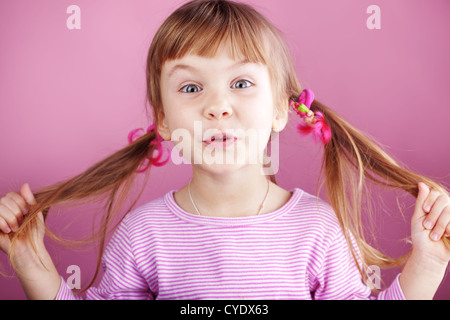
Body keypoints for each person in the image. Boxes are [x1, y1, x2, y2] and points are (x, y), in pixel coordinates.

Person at [1, 0, 449, 300]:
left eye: (241, 83)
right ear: (163, 120)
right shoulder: (145, 234)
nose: (217, 106)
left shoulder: (318, 230)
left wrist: (426, 267)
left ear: (281, 109)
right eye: (192, 87)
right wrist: (32, 266)